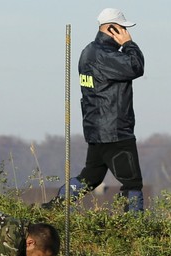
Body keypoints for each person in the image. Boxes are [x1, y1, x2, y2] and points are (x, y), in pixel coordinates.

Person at [43, 7, 145, 212]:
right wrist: (129, 45)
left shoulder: (88, 51)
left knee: (90, 178)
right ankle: (136, 232)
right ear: (112, 28)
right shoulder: (106, 56)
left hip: (96, 129)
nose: (126, 32)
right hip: (116, 132)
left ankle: (53, 208)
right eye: (123, 28)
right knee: (132, 184)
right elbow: (136, 67)